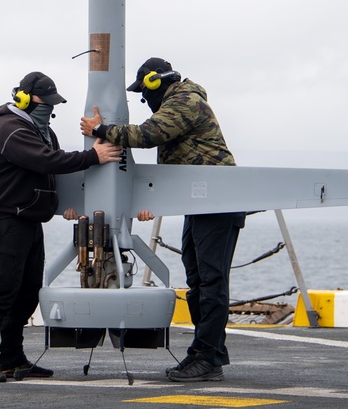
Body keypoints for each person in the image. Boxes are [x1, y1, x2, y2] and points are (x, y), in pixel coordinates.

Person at [79, 57, 242, 383]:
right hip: (202, 204)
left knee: (210, 283)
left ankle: (208, 358)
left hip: (218, 203)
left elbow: (150, 134)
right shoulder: (181, 101)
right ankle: (205, 353)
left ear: (156, 82)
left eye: (144, 92)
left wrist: (100, 130)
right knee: (198, 282)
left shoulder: (185, 101)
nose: (144, 99)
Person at [0, 71, 123, 383]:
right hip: (6, 220)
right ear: (23, 98)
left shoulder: (42, 131)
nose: (49, 109)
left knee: (26, 293)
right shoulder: (8, 128)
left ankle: (12, 358)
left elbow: (51, 170)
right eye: (45, 102)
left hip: (29, 221)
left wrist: (61, 205)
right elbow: (45, 161)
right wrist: (93, 156)